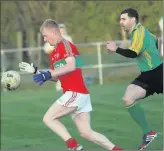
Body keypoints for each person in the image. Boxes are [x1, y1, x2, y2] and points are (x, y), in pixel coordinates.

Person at [19, 19, 123, 151]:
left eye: (45, 35)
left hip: (75, 92)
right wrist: (37, 71)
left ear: (53, 31)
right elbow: (56, 77)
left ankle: (74, 146)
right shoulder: (54, 54)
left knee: (48, 118)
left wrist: (48, 74)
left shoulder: (65, 44)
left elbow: (72, 65)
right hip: (79, 95)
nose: (44, 39)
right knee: (87, 133)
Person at [106, 8, 163, 150]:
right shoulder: (140, 32)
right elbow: (156, 40)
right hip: (147, 75)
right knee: (128, 98)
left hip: (158, 73)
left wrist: (116, 49)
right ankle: (148, 133)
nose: (121, 22)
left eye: (123, 19)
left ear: (133, 20)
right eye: (120, 19)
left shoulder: (139, 31)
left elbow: (132, 53)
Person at [55, 24, 74, 91]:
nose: (61, 31)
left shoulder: (68, 38)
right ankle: (59, 85)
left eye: (62, 29)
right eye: (60, 29)